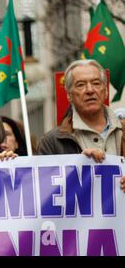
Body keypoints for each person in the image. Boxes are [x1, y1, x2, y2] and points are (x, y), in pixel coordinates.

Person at [36, 60, 125, 192]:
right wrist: (77, 166)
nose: (90, 90)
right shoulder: (52, 142)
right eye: (80, 85)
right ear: (69, 95)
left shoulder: (123, 131)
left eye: (96, 83)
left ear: (105, 91)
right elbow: (45, 195)